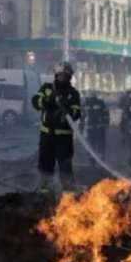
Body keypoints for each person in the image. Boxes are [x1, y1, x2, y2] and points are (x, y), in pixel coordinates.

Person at [31, 61, 82, 192]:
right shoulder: (47, 88)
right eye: (60, 75)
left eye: (66, 76)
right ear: (56, 75)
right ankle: (44, 192)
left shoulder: (73, 93)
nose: (63, 78)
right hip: (46, 135)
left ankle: (68, 193)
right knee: (45, 164)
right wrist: (47, 100)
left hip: (63, 137)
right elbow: (35, 102)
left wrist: (68, 111)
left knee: (65, 165)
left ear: (70, 77)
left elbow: (77, 112)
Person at [80, 91, 110, 168]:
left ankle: (101, 160)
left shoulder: (100, 103)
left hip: (99, 128)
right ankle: (92, 161)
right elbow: (82, 117)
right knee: (90, 145)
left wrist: (106, 123)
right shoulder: (85, 104)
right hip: (89, 129)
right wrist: (81, 126)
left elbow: (106, 113)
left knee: (100, 144)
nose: (91, 98)